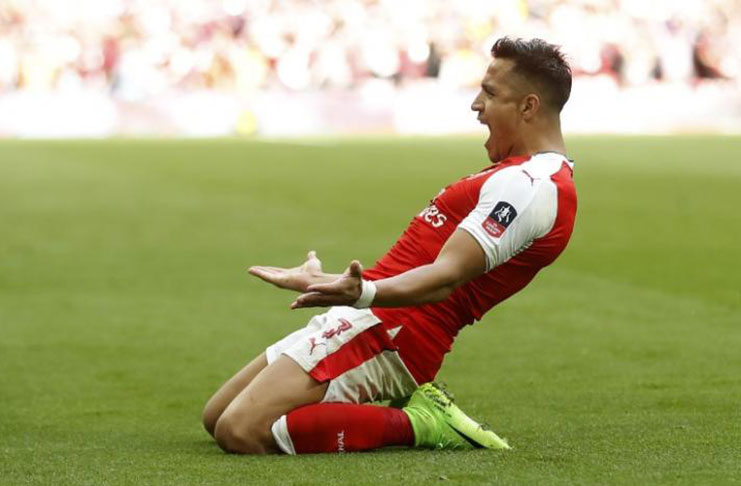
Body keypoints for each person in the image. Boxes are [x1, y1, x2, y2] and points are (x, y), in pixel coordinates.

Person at [202, 37, 577, 455]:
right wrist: (330, 282)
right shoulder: (519, 174)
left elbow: (445, 278)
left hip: (396, 331)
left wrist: (364, 292)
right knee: (215, 416)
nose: (475, 104)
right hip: (371, 314)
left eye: (489, 94)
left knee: (241, 430)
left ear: (528, 107)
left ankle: (420, 423)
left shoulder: (532, 186)